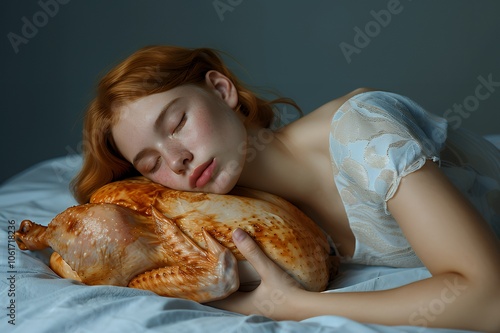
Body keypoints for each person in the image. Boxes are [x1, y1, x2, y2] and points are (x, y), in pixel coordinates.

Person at [72, 45, 500, 332]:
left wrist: (300, 308)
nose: (177, 158)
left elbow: (489, 298)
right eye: (151, 163)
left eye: (178, 123)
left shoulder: (363, 131)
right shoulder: (253, 223)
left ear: (222, 90)